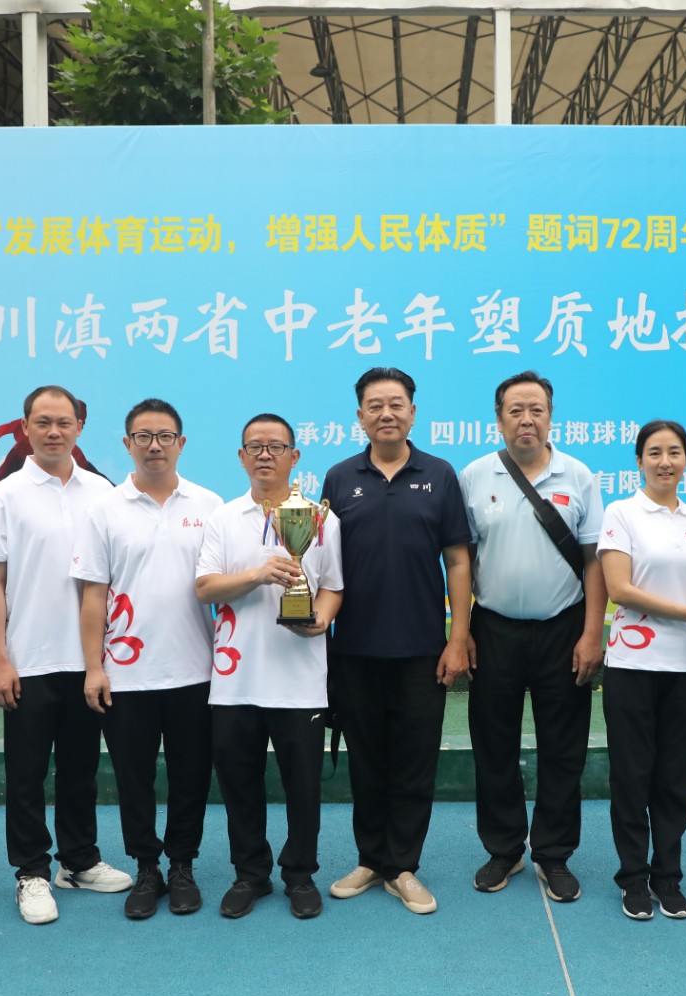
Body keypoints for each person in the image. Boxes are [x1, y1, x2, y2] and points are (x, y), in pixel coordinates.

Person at [321, 368, 472, 916]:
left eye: (396, 404)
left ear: (413, 412)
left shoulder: (440, 474)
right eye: (374, 405)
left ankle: (403, 866)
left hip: (421, 648)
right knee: (365, 760)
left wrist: (458, 638)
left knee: (413, 761)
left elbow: (458, 559)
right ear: (359, 415)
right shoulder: (340, 478)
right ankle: (371, 859)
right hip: (354, 649)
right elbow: (322, 563)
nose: (386, 413)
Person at [0, 385, 128, 925]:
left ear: (79, 428)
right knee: (26, 774)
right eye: (42, 422)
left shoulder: (102, 492)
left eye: (63, 422)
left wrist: (101, 661)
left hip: (89, 661)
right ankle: (31, 872)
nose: (53, 431)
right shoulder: (5, 495)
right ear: (25, 429)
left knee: (80, 769)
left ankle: (79, 861)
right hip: (29, 659)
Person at [73, 399, 222, 921]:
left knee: (190, 777)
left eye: (164, 436)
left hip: (196, 671)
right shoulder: (104, 510)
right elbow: (93, 594)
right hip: (126, 673)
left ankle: (181, 866)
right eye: (143, 436)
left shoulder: (210, 505)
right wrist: (94, 667)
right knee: (133, 778)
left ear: (181, 443)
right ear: (127, 443)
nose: (154, 445)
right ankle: (147, 868)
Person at [459, 370, 604, 902]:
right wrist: (461, 631)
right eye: (516, 410)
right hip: (493, 629)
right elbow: (461, 559)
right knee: (493, 744)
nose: (527, 419)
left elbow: (594, 560)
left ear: (551, 417)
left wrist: (593, 633)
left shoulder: (578, 475)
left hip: (564, 629)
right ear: (499, 420)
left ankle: (554, 853)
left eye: (536, 410)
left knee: (563, 747)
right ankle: (503, 849)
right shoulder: (475, 475)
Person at [196, 414, 344, 920]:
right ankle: (250, 875)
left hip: (300, 680)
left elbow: (334, 585)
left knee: (303, 787)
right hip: (235, 679)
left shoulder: (321, 519)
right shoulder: (222, 518)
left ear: (294, 457)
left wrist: (321, 618)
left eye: (276, 446)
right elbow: (206, 587)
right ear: (241, 457)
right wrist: (259, 575)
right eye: (255, 446)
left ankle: (300, 874)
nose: (265, 454)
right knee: (239, 784)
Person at [599, 421, 686, 920]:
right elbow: (620, 590)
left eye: (674, 452)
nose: (665, 462)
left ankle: (667, 876)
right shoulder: (621, 512)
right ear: (639, 461)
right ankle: (633, 878)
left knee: (675, 778)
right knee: (632, 776)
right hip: (633, 663)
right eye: (654, 452)